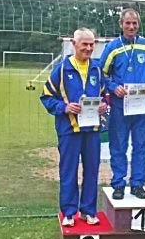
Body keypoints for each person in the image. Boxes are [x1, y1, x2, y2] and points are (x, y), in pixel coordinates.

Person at [40, 28, 108, 227]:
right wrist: (65, 107)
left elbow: (105, 96)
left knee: (92, 171)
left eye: (91, 44)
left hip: (92, 130)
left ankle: (88, 211)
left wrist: (104, 106)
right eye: (84, 44)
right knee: (68, 171)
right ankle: (69, 212)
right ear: (74, 44)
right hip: (69, 130)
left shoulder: (97, 69)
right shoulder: (62, 69)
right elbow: (46, 97)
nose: (88, 48)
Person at [100, 8, 145, 200]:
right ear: (121, 24)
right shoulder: (112, 47)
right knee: (119, 145)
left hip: (142, 105)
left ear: (138, 25)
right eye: (127, 23)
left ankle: (138, 184)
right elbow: (102, 73)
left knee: (141, 145)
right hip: (120, 105)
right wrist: (113, 87)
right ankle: (118, 184)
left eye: (134, 23)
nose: (131, 26)